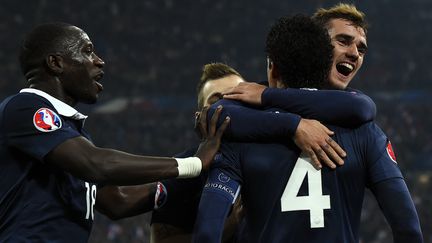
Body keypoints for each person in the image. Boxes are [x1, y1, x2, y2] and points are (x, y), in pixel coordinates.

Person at [192, 15, 423, 243]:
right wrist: (293, 125)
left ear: (272, 67)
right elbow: (409, 229)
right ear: (325, 59)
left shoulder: (242, 132)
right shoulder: (366, 133)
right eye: (343, 41)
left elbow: (206, 233)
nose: (353, 53)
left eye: (360, 49)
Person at [0, 22, 230, 242]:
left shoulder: (72, 137)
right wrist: (194, 163)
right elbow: (96, 164)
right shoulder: (25, 107)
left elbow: (117, 201)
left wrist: (193, 176)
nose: (99, 61)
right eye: (87, 51)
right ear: (56, 63)